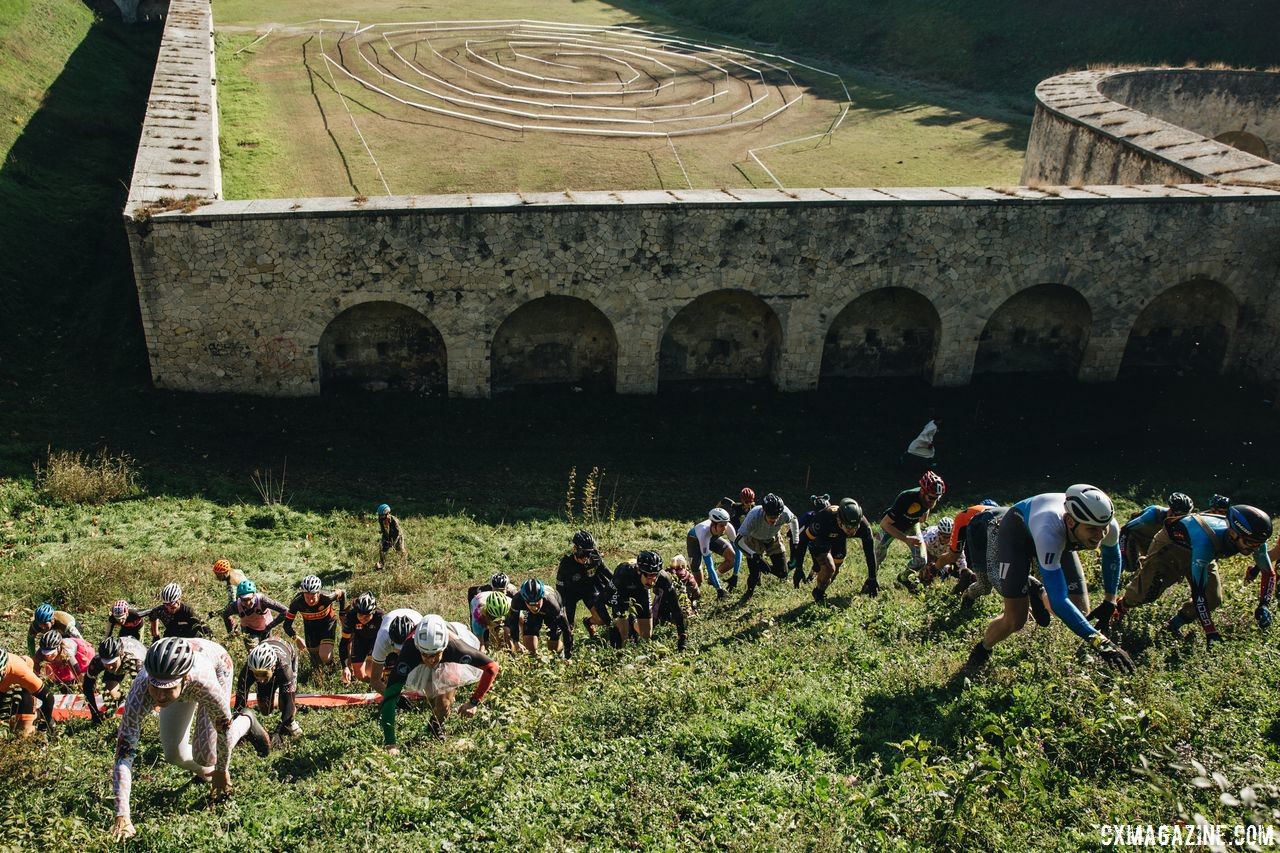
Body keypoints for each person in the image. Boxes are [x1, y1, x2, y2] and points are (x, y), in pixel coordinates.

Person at [110, 637, 270, 841]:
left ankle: (247, 721)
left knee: (206, 756)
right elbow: (124, 751)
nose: (159, 696)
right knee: (173, 754)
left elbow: (223, 728)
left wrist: (222, 769)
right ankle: (207, 774)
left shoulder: (204, 684)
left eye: (166, 689)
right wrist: (122, 814)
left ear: (184, 679)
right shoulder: (141, 688)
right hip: (180, 681)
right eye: (155, 687)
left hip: (216, 665)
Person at [965, 485, 1133, 673]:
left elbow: (1112, 555)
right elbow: (1059, 600)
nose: (1100, 535)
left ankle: (1036, 592)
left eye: (1103, 529)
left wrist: (1110, 600)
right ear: (1070, 521)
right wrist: (1101, 643)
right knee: (1015, 620)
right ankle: (983, 647)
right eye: (1092, 529)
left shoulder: (1106, 524)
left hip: (1059, 535)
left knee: (1080, 610)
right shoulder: (1049, 531)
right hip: (1017, 533)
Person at [1103, 505, 1273, 643]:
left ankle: (1172, 626)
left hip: (1202, 553)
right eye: (1250, 543)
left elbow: (1268, 572)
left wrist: (1264, 603)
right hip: (1171, 546)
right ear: (1234, 533)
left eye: (1259, 544)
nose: (1254, 548)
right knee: (1146, 593)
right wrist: (1210, 631)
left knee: (1213, 598)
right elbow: (1197, 593)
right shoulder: (1206, 540)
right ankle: (1120, 607)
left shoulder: (1256, 541)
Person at [381, 614, 499, 752]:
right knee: (430, 696)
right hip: (421, 656)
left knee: (443, 704)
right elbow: (390, 697)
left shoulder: (456, 648)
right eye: (426, 655)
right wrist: (390, 744)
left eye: (435, 655)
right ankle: (435, 717)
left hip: (450, 654)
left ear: (443, 648)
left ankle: (436, 725)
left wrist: (474, 702)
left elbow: (492, 667)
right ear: (418, 648)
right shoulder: (409, 651)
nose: (431, 660)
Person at [875, 471, 945, 590]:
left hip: (911, 524)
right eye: (931, 498)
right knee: (876, 557)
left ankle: (903, 578)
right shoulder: (906, 497)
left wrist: (923, 515)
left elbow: (923, 515)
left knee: (921, 560)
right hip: (892, 526)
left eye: (937, 498)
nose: (934, 502)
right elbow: (884, 524)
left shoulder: (929, 499)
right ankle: (871, 581)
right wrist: (906, 538)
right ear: (922, 491)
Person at [801, 498, 879, 601]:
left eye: (856, 527)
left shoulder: (864, 526)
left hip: (839, 538)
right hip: (823, 537)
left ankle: (819, 591)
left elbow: (869, 552)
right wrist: (798, 567)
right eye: (849, 527)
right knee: (829, 568)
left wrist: (872, 577)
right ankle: (816, 581)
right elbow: (803, 539)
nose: (852, 531)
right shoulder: (825, 517)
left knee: (835, 571)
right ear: (839, 519)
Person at [610, 550, 688, 650]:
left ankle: (632, 620)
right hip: (623, 591)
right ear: (639, 571)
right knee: (621, 640)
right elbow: (604, 599)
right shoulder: (624, 572)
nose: (652, 580)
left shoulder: (664, 578)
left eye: (655, 575)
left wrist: (682, 636)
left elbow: (676, 607)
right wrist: (610, 624)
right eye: (648, 575)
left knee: (646, 634)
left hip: (641, 591)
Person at [736, 493, 800, 603]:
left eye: (777, 517)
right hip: (754, 539)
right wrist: (755, 557)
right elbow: (738, 541)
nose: (774, 520)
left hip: (772, 537)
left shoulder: (784, 512)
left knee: (783, 573)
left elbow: (794, 520)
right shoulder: (754, 515)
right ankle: (749, 593)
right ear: (764, 512)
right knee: (754, 575)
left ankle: (763, 567)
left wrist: (795, 542)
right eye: (771, 517)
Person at [234, 638, 301, 742]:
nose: (260, 680)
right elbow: (239, 701)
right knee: (265, 709)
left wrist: (279, 731)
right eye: (257, 674)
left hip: (288, 654)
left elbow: (290, 703)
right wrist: (237, 730)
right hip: (270, 662)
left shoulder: (284, 668)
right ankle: (277, 692)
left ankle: (290, 721)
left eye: (264, 674)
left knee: (285, 704)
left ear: (273, 667)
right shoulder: (248, 670)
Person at [554, 530, 616, 636]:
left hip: (589, 590)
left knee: (603, 619)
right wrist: (562, 607)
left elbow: (609, 574)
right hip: (570, 594)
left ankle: (588, 622)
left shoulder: (595, 557)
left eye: (589, 552)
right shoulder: (566, 564)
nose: (586, 557)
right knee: (568, 627)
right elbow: (560, 588)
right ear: (575, 549)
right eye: (583, 553)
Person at [1116, 492, 1196, 574]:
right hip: (1133, 536)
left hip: (1152, 540)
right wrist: (1121, 554)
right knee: (1130, 567)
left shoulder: (1183, 522)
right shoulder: (1153, 514)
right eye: (1177, 515)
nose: (1178, 519)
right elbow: (1125, 530)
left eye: (1182, 517)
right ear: (1170, 510)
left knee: (1155, 568)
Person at [281, 575, 346, 670]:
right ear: (303, 593)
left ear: (319, 593)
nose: (310, 600)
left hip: (328, 624)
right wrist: (296, 638)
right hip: (310, 628)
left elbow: (342, 593)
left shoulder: (327, 596)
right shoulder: (297, 602)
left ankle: (333, 669)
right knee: (316, 663)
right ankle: (321, 674)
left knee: (325, 656)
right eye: (307, 597)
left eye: (313, 596)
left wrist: (342, 613)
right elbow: (286, 625)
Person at [504, 579, 574, 659]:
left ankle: (560, 653)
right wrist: (516, 641)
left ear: (542, 597)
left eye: (537, 603)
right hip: (531, 614)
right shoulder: (517, 600)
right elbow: (513, 621)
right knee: (530, 650)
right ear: (524, 600)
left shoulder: (552, 603)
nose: (535, 607)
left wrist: (568, 656)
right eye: (531, 604)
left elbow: (566, 630)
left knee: (553, 648)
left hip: (549, 612)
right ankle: (535, 666)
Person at [84, 637, 147, 725]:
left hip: (140, 657)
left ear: (121, 654)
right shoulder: (97, 660)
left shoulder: (135, 662)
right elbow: (87, 686)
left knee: (140, 694)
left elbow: (144, 688)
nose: (109, 667)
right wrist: (94, 712)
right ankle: (121, 697)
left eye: (112, 662)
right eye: (106, 663)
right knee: (110, 695)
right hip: (121, 663)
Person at [0, 646, 57, 739]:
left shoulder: (21, 673)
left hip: (22, 689)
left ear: (3, 670)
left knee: (23, 736)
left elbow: (48, 698)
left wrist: (44, 722)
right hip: (3, 689)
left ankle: (37, 716)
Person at [221, 579, 288, 650]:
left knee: (267, 651)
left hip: (266, 628)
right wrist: (232, 631)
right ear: (239, 597)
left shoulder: (262, 600)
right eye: (244, 600)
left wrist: (271, 625)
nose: (247, 602)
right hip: (249, 630)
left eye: (249, 599)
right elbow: (225, 614)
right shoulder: (235, 606)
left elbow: (285, 611)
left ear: (254, 595)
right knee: (253, 652)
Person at [369, 607, 423, 694]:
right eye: (397, 647)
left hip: (416, 618)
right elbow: (375, 681)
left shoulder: (421, 636)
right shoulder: (382, 639)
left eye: (403, 647)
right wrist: (392, 696)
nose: (399, 651)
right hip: (389, 619)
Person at [687, 507, 737, 600]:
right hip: (694, 540)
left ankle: (712, 578)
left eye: (725, 524)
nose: (724, 528)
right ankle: (690, 596)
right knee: (699, 581)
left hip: (712, 537)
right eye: (721, 526)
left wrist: (735, 575)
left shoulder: (728, 527)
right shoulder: (704, 533)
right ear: (713, 524)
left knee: (732, 558)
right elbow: (709, 565)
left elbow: (738, 552)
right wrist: (719, 589)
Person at [340, 592, 384, 685]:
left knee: (371, 670)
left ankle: (381, 682)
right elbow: (344, 642)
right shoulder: (351, 616)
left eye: (367, 616)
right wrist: (345, 667)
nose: (363, 619)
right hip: (360, 641)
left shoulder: (380, 617)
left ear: (373, 612)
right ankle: (373, 684)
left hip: (376, 641)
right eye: (360, 615)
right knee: (359, 674)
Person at [790, 494, 831, 586]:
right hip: (810, 541)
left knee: (819, 566)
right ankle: (787, 575)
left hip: (823, 541)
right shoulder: (809, 516)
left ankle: (809, 579)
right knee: (797, 562)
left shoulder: (831, 517)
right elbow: (797, 525)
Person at [376, 503, 407, 570]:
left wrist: (392, 543)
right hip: (387, 534)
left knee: (399, 549)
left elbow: (397, 533)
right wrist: (385, 540)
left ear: (387, 514)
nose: (380, 517)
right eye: (379, 515)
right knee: (381, 548)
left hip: (397, 536)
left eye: (382, 515)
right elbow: (383, 529)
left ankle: (404, 563)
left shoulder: (394, 521)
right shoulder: (380, 519)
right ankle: (382, 564)